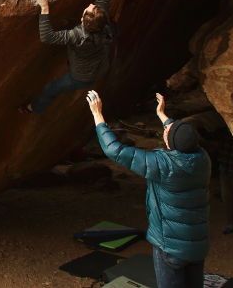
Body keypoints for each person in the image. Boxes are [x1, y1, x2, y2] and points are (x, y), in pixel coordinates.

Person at [86, 90, 211, 288]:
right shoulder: (202, 158)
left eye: (168, 132)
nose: (165, 130)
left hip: (169, 246)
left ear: (172, 143)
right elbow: (181, 135)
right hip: (196, 246)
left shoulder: (163, 165)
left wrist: (97, 115)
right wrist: (162, 114)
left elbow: (115, 150)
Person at [20, 0, 119, 114]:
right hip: (101, 65)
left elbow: (47, 37)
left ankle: (34, 108)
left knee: (51, 89)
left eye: (88, 9)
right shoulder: (102, 19)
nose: (90, 4)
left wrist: (44, 7)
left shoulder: (76, 35)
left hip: (80, 77)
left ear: (83, 20)